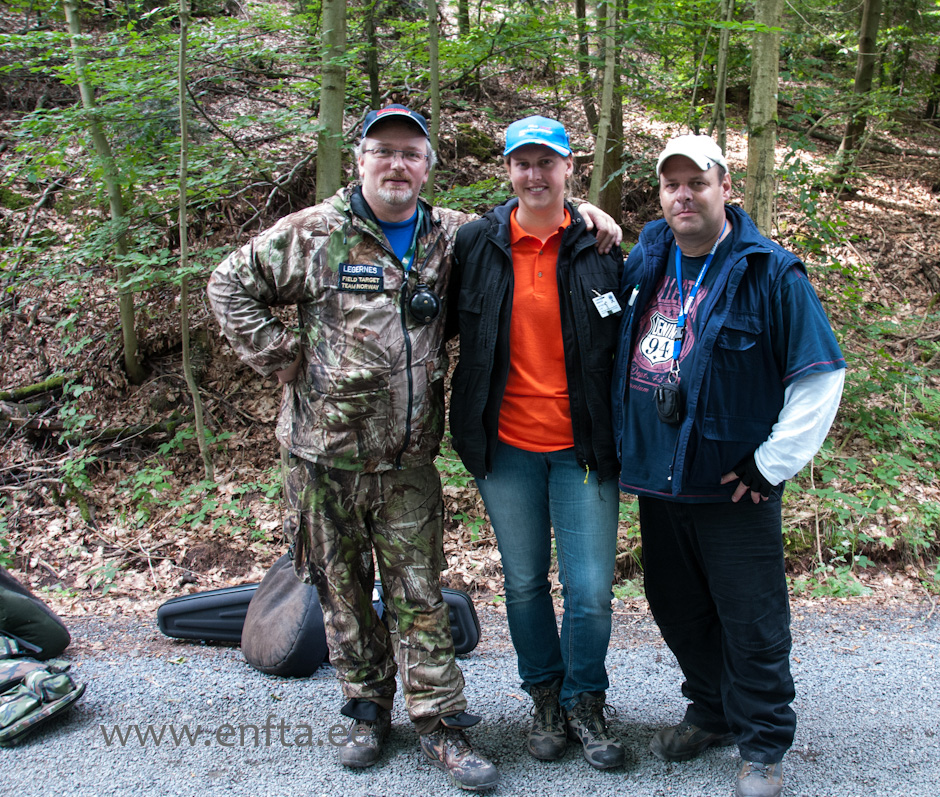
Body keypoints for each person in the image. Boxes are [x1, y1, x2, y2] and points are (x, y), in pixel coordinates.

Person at [207, 104, 618, 792]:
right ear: (360, 158)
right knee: (340, 591)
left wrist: (593, 213)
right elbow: (227, 284)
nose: (396, 165)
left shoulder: (452, 236)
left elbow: (532, 212)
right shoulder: (312, 234)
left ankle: (441, 724)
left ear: (427, 167)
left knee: (420, 595)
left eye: (410, 154)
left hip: (406, 459)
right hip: (321, 455)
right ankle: (367, 710)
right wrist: (280, 355)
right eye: (383, 151)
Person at [611, 135, 846, 797]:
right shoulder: (647, 258)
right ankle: (712, 711)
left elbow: (821, 375)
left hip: (734, 487)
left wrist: (771, 465)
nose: (684, 195)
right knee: (677, 607)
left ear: (726, 187)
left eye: (698, 182)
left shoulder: (768, 272)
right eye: (671, 184)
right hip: (660, 481)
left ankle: (763, 742)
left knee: (751, 618)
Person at [448, 116, 624, 771]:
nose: (534, 174)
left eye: (546, 162)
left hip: (584, 448)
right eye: (522, 162)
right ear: (508, 170)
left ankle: (586, 700)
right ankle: (544, 697)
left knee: (590, 589)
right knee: (523, 582)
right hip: (507, 448)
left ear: (568, 167)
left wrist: (597, 217)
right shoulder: (475, 243)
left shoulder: (601, 248)